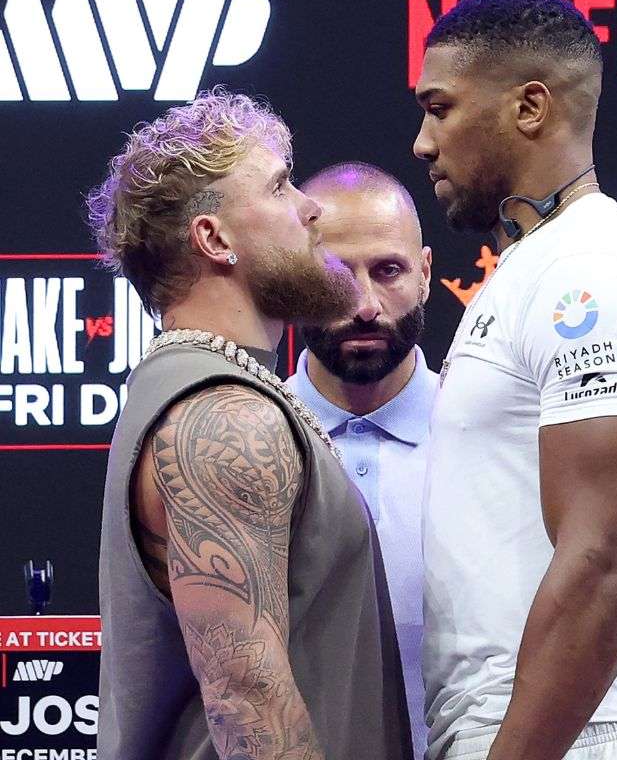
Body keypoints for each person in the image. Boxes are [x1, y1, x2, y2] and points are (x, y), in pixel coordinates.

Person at [412, 0, 617, 760]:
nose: (422, 140)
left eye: (439, 107)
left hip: (579, 732)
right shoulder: (538, 266)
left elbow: (609, 559)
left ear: (530, 107)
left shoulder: (592, 269)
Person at [88, 90, 411, 758]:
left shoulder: (213, 391)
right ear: (215, 238)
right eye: (279, 186)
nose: (310, 206)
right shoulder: (223, 415)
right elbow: (247, 697)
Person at [287, 161, 437, 759]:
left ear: (425, 274)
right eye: (333, 274)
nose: (366, 304)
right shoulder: (249, 441)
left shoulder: (491, 438)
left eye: (389, 270)